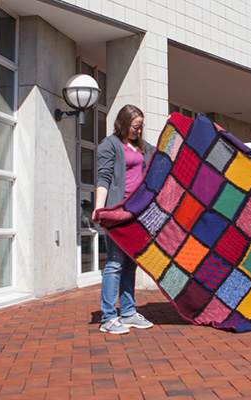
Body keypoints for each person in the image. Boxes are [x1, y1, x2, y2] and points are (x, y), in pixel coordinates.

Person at [91, 104, 156, 334]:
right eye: (135, 127)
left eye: (140, 127)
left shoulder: (143, 147)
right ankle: (109, 317)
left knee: (130, 263)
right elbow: (104, 177)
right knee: (115, 262)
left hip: (137, 213)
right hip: (118, 212)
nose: (138, 131)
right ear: (124, 123)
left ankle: (128, 312)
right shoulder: (110, 145)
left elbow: (163, 159)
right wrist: (99, 209)